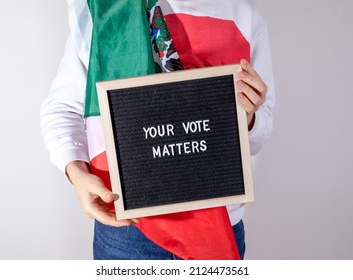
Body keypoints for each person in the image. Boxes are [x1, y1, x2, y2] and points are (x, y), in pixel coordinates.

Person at [40, 0, 275, 260]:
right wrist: (76, 174)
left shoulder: (244, 14)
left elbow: (258, 136)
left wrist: (249, 116)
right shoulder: (98, 9)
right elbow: (63, 109)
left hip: (218, 223)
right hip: (128, 230)